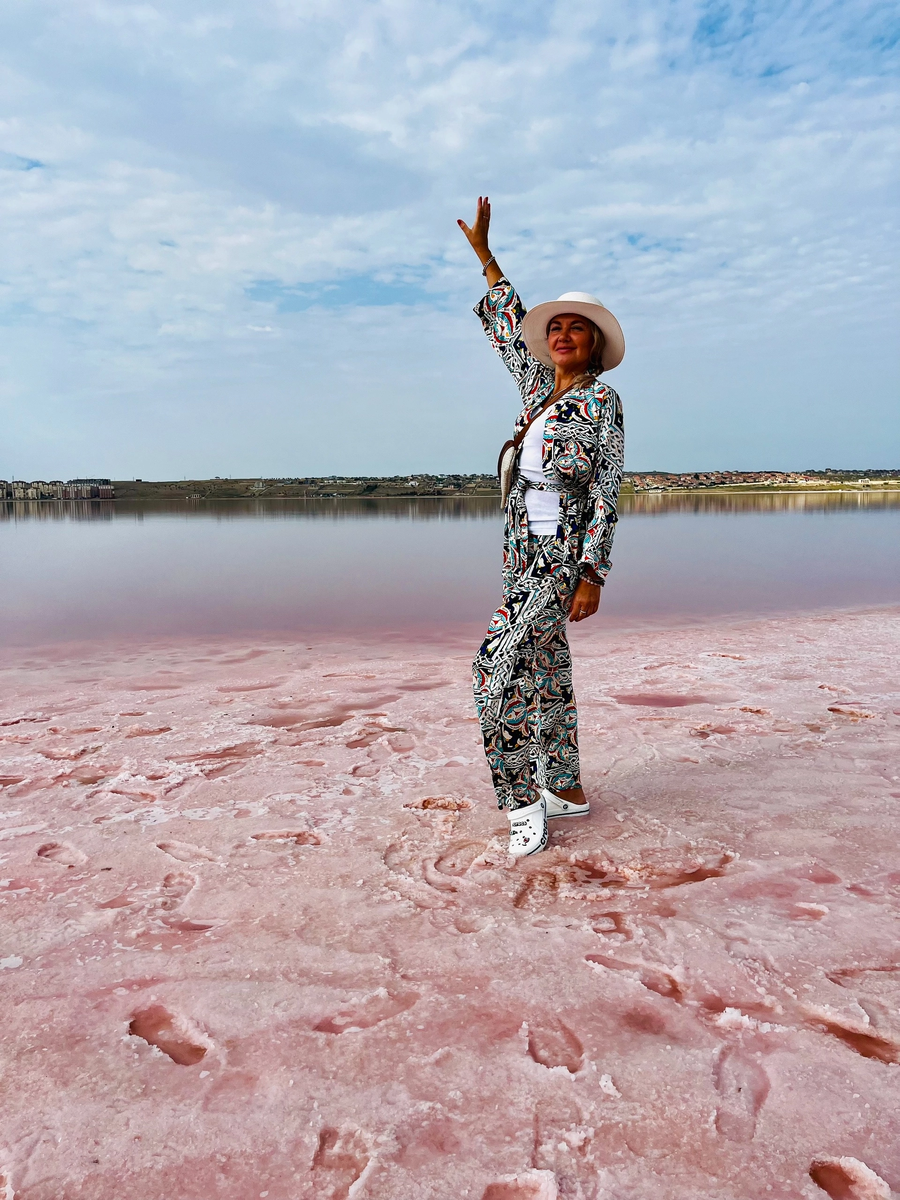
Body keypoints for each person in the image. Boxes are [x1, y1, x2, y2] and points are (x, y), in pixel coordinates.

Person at [458, 196, 625, 857]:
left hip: (559, 558)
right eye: (554, 328)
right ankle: (566, 787)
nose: (560, 335)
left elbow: (608, 489)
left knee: (492, 671)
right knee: (548, 668)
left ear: (595, 346)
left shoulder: (600, 401)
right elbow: (507, 331)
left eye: (574, 330)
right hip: (519, 555)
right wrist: (487, 260)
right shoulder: (539, 393)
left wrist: (592, 573)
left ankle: (522, 802)